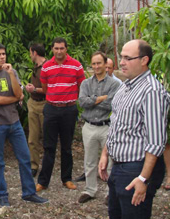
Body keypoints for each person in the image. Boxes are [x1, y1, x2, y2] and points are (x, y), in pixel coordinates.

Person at [98, 40, 170, 219]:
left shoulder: (152, 92)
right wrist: (105, 154)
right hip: (119, 167)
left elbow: (156, 142)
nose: (121, 62)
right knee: (116, 213)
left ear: (144, 60)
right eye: (121, 57)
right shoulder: (125, 87)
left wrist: (143, 179)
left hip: (136, 168)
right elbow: (116, 124)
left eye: (127, 58)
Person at [0, 43, 48, 207]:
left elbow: (19, 93)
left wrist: (10, 75)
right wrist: (15, 99)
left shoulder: (12, 72)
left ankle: (29, 193)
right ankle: (2, 196)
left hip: (14, 122)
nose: (2, 57)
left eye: (3, 54)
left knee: (25, 159)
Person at [36, 37, 85, 192]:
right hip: (51, 109)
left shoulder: (76, 66)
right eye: (56, 48)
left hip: (69, 110)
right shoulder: (46, 67)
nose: (58, 51)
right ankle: (43, 181)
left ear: (66, 49)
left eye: (61, 48)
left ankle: (67, 179)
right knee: (49, 147)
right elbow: (45, 89)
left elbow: (81, 87)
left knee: (66, 147)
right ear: (52, 49)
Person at [77, 51, 120, 204]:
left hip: (107, 127)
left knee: (110, 162)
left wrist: (92, 100)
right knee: (89, 161)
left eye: (99, 63)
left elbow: (112, 104)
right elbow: (82, 102)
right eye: (93, 63)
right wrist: (101, 98)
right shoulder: (86, 83)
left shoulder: (115, 84)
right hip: (89, 126)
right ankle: (90, 190)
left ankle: (111, 192)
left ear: (105, 64)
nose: (96, 66)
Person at [25, 43, 47, 177]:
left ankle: (47, 165)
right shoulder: (36, 67)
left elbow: (50, 88)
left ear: (34, 53)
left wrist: (34, 89)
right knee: (32, 138)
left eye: (30, 53)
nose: (29, 55)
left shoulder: (47, 67)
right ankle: (34, 165)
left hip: (45, 104)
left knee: (47, 137)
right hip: (33, 103)